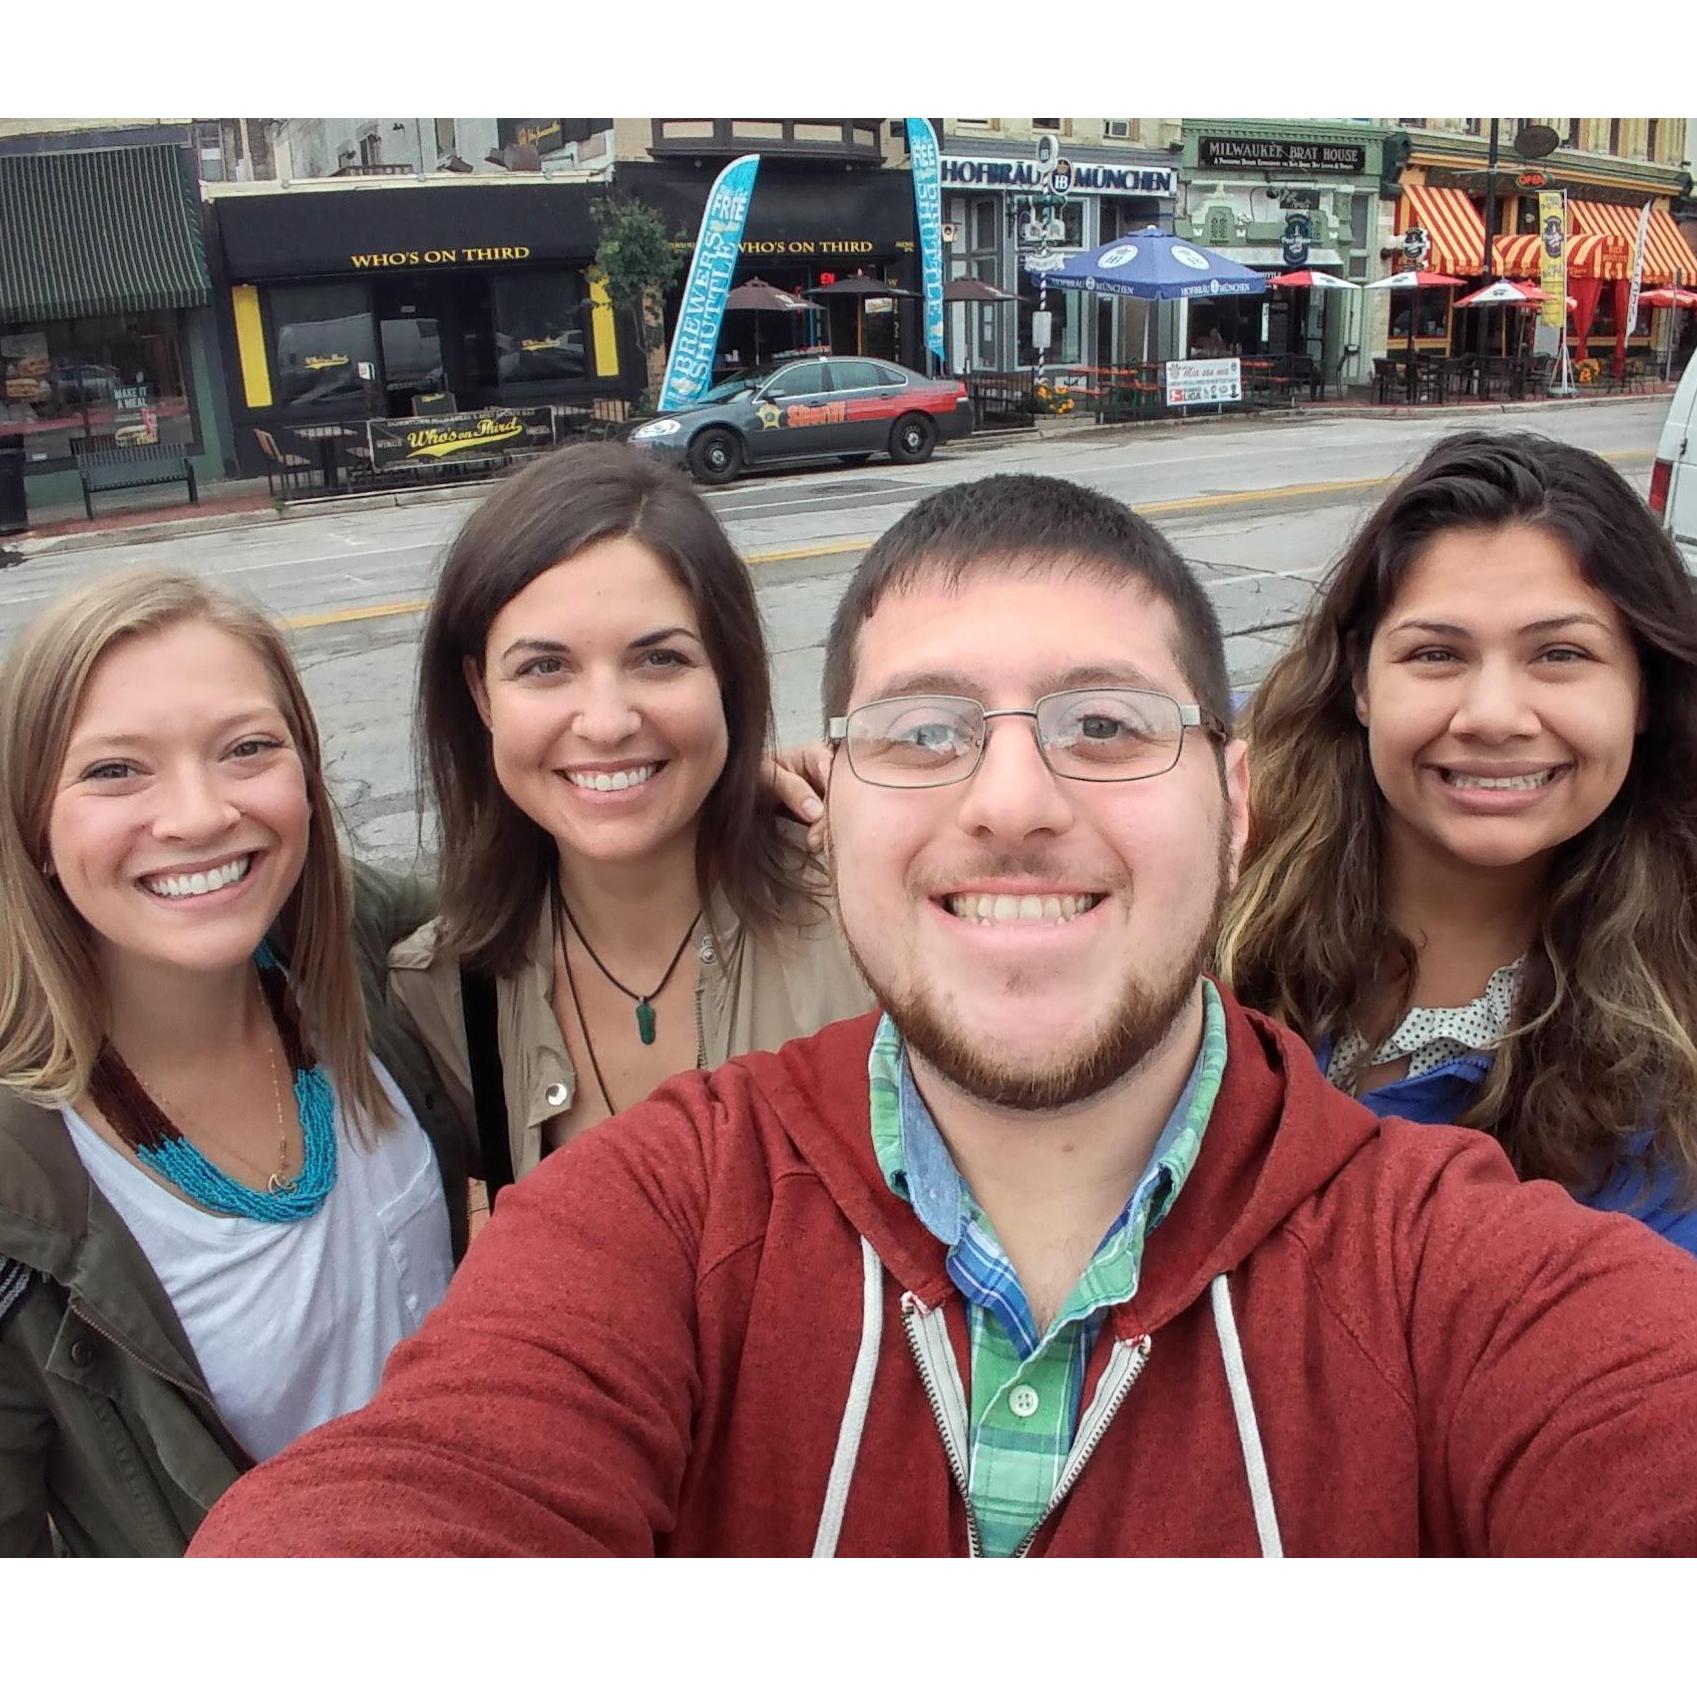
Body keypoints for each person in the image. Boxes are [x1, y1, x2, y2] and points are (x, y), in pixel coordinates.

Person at [188, 474, 1697, 1558]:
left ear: (1234, 802)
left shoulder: (1446, 1262)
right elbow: (428, 1483)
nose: (1012, 800)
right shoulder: (658, 1206)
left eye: (1106, 723)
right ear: (827, 795)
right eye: (923, 732)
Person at [0, 570, 467, 1557]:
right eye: (115, 770)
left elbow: (563, 890)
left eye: (247, 748)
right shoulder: (23, 1186)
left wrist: (739, 807)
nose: (200, 814)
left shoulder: (354, 944)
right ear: (32, 821)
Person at [1217, 432, 1697, 1253]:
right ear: (1361, 681)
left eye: (1560, 654)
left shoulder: (1674, 1062)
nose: (1492, 716)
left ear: (1643, 690)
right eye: (1436, 653)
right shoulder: (1203, 875)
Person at [388, 441, 870, 1193]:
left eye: (660, 659)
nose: (607, 723)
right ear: (481, 695)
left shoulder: (867, 924)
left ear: (726, 673)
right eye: (544, 667)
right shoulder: (444, 995)